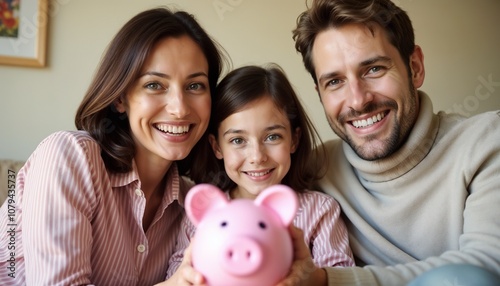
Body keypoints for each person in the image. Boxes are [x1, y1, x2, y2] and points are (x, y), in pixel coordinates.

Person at [0, 7, 228, 285]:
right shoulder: (69, 157)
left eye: (195, 86)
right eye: (155, 85)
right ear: (121, 98)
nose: (180, 109)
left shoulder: (194, 203)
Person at [280, 0, 500, 285]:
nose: (358, 100)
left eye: (373, 69)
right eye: (335, 82)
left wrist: (326, 280)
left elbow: (488, 265)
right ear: (320, 94)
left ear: (415, 67)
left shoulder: (486, 142)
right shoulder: (314, 169)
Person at [165, 64, 355, 282]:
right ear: (217, 147)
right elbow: (177, 276)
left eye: (272, 137)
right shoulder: (204, 215)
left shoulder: (320, 211)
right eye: (238, 141)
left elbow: (341, 277)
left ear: (294, 139)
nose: (257, 156)